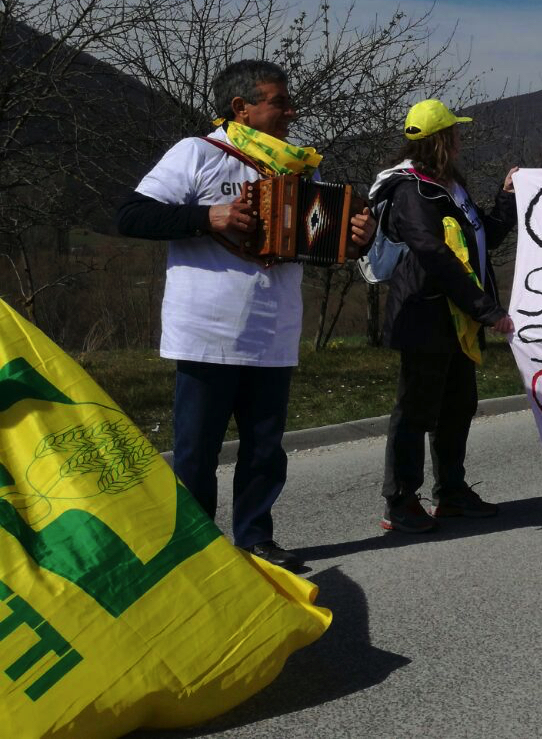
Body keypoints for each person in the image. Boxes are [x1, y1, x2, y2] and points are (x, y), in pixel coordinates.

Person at [117, 59, 374, 570]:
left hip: (273, 330)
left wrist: (349, 242)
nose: (290, 110)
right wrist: (204, 215)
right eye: (279, 102)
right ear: (242, 108)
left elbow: (314, 242)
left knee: (264, 448)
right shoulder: (198, 153)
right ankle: (195, 550)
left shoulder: (300, 167)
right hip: (207, 330)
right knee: (197, 451)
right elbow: (131, 214)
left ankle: (256, 538)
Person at [368, 100, 517, 533]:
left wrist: (506, 198)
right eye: (454, 131)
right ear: (441, 139)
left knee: (458, 406)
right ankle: (400, 501)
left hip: (458, 319)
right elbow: (433, 253)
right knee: (415, 411)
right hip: (425, 315)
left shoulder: (450, 184)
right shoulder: (411, 190)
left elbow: (482, 236)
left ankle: (451, 492)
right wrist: (486, 309)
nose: (460, 138)